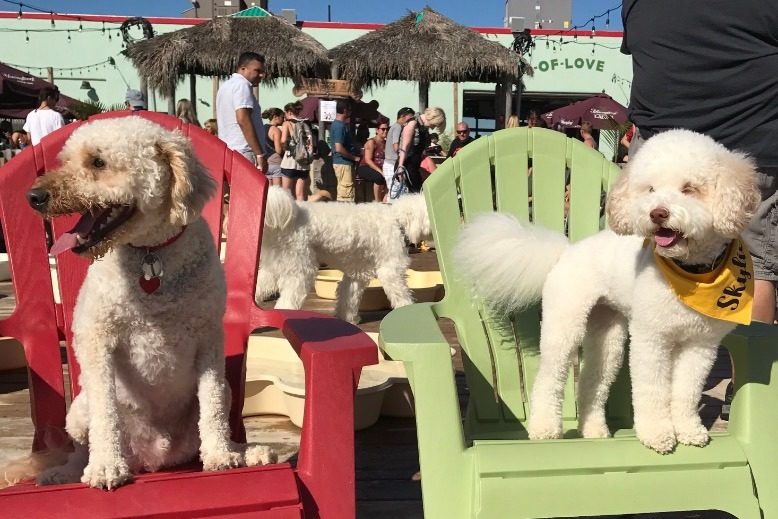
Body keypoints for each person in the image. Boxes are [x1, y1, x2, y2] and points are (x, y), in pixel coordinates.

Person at [622, 0, 778, 325]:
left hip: (658, 146)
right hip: (749, 140)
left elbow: (646, 57)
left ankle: (651, 363)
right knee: (754, 266)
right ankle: (751, 373)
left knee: (645, 261)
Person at [215, 51, 267, 172]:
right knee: (248, 191)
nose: (261, 75)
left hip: (229, 148)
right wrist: (259, 154)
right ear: (243, 68)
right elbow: (243, 119)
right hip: (244, 150)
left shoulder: (226, 86)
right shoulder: (242, 85)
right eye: (257, 71)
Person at [396, 106, 446, 194]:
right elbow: (404, 148)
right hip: (406, 167)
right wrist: (400, 167)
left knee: (418, 194)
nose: (433, 128)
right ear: (432, 118)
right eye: (434, 124)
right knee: (415, 196)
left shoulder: (423, 128)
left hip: (414, 168)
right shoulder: (412, 124)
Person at [279, 101, 312, 201]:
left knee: (286, 193)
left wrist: (284, 146)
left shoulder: (287, 123)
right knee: (300, 195)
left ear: (289, 112)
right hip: (303, 162)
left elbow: (283, 140)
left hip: (290, 161)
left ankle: (287, 214)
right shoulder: (305, 122)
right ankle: (301, 215)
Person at [383, 107, 415, 199]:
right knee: (395, 191)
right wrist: (402, 153)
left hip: (390, 163)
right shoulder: (397, 127)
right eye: (410, 118)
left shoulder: (394, 127)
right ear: (403, 116)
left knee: (394, 190)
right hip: (392, 163)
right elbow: (395, 145)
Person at [330, 100, 359, 202]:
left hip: (342, 163)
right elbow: (339, 147)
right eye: (350, 110)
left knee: (345, 191)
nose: (350, 113)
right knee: (346, 195)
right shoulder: (340, 126)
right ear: (345, 110)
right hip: (343, 163)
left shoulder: (338, 125)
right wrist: (354, 157)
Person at [356, 118, 390, 202]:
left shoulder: (386, 143)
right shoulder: (371, 142)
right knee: (379, 177)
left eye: (387, 129)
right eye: (383, 129)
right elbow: (368, 160)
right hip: (365, 167)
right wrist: (380, 171)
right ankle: (377, 201)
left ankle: (385, 199)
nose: (385, 131)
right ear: (377, 130)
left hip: (380, 168)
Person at [262, 107, 284, 187]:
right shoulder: (275, 130)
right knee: (277, 191)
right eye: (282, 117)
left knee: (269, 192)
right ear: (275, 117)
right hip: (276, 162)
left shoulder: (262, 128)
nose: (283, 119)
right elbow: (278, 150)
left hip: (265, 161)